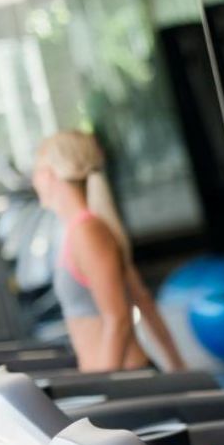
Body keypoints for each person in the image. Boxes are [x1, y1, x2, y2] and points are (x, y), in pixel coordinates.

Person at [32, 130, 185, 372]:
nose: (34, 181)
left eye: (37, 171)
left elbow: (119, 318)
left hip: (123, 378)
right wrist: (177, 364)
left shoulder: (88, 232)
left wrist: (103, 385)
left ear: (50, 174)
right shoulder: (80, 230)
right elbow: (141, 297)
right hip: (112, 376)